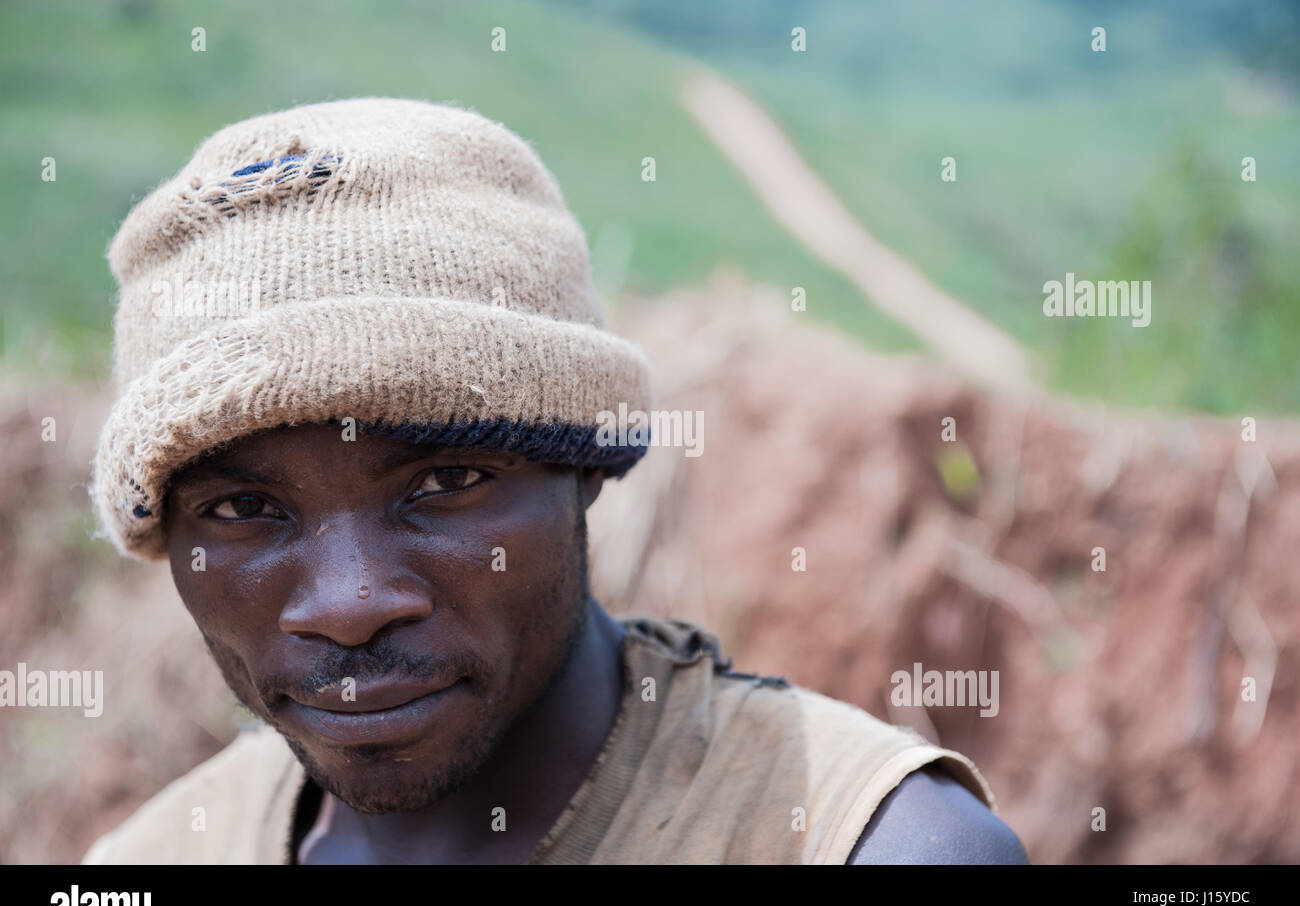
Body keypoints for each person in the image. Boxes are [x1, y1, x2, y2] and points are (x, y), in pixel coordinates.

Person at [82, 97, 1027, 864]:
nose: (348, 603)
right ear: (165, 535)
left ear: (587, 463)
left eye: (446, 476)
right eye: (244, 507)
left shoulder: (868, 846)